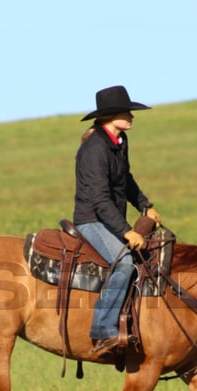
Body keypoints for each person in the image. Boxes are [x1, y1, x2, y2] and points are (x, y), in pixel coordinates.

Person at [73, 85, 162, 357]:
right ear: (110, 116)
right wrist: (126, 231)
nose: (132, 116)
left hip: (109, 218)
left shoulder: (119, 142)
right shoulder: (95, 149)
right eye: (126, 112)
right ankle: (102, 331)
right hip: (91, 220)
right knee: (123, 264)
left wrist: (145, 205)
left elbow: (126, 179)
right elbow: (99, 200)